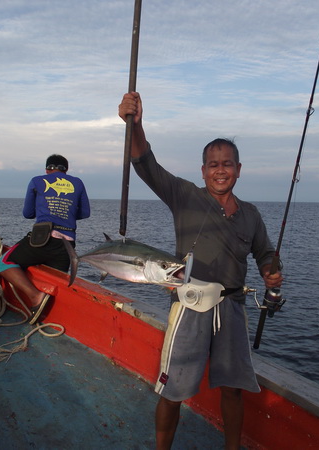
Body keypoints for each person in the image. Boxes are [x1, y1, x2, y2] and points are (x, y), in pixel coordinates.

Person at [118, 92, 283, 449]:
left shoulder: (251, 214)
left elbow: (266, 253)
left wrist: (272, 270)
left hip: (233, 308)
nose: (220, 170)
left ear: (238, 169)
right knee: (172, 390)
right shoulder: (183, 194)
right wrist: (136, 124)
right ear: (203, 170)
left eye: (227, 163)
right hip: (190, 305)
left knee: (233, 390)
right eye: (213, 164)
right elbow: (144, 162)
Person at [0, 154, 90, 324]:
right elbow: (85, 213)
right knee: (56, 281)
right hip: (67, 245)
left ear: (47, 169)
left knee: (4, 263)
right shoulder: (78, 183)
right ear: (66, 170)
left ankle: (35, 296)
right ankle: (54, 318)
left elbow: (27, 213)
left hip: (43, 239)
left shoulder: (37, 181)